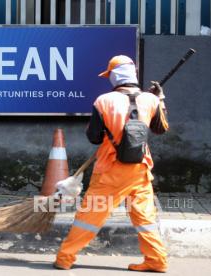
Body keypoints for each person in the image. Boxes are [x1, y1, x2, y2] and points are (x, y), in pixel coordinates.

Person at [53, 55, 169, 272]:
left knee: (89, 217)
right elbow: (160, 129)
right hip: (140, 170)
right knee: (145, 218)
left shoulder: (103, 101)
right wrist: (159, 100)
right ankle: (156, 260)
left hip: (110, 171)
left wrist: (111, 133)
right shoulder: (150, 100)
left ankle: (65, 257)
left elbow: (94, 138)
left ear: (115, 77)